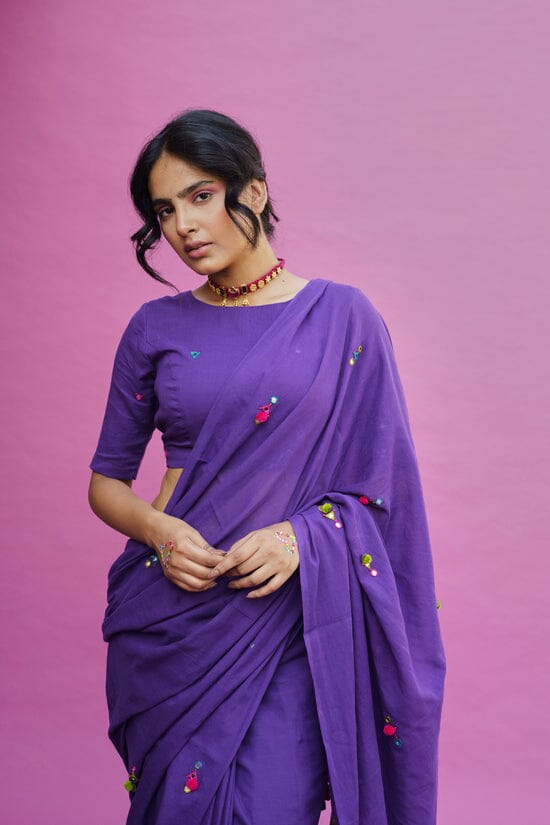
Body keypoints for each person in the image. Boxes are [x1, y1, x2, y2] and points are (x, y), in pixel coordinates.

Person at [88, 108, 446, 825]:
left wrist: (299, 537)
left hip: (289, 620)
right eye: (164, 210)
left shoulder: (343, 317)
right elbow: (106, 483)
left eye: (201, 195)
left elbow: (385, 490)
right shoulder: (154, 327)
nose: (183, 226)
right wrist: (160, 533)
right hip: (170, 620)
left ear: (252, 190)